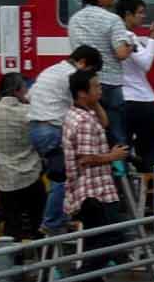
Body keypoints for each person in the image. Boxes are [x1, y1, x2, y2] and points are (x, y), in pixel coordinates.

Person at [59, 69, 129, 282]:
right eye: (96, 87)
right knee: (113, 237)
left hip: (88, 190)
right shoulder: (84, 122)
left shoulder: (79, 114)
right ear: (82, 93)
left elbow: (105, 123)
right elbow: (85, 159)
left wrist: (95, 101)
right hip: (94, 190)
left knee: (95, 241)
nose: (100, 90)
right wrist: (113, 156)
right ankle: (78, 278)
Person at [28, 45, 103, 235]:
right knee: (64, 178)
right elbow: (84, 102)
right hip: (52, 129)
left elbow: (29, 96)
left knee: (61, 174)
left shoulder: (50, 70)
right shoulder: (71, 76)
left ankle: (61, 218)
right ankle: (52, 223)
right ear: (82, 63)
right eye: (90, 72)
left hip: (37, 129)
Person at [66, 0, 135, 146]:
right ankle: (119, 163)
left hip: (83, 83)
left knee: (90, 131)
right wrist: (131, 45)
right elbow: (121, 53)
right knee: (116, 133)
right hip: (110, 83)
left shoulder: (74, 20)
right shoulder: (113, 20)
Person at [0, 73, 45, 241]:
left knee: (11, 226)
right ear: (17, 91)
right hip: (30, 176)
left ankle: (12, 255)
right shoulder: (28, 112)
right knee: (38, 223)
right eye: (24, 88)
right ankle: (39, 253)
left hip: (4, 179)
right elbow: (40, 139)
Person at [115, 0, 154, 175]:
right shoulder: (127, 36)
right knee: (149, 151)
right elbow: (146, 62)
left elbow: (145, 52)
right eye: (140, 13)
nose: (143, 17)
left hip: (126, 100)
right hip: (141, 101)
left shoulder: (120, 35)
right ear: (127, 14)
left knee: (123, 148)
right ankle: (153, 187)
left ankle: (124, 184)